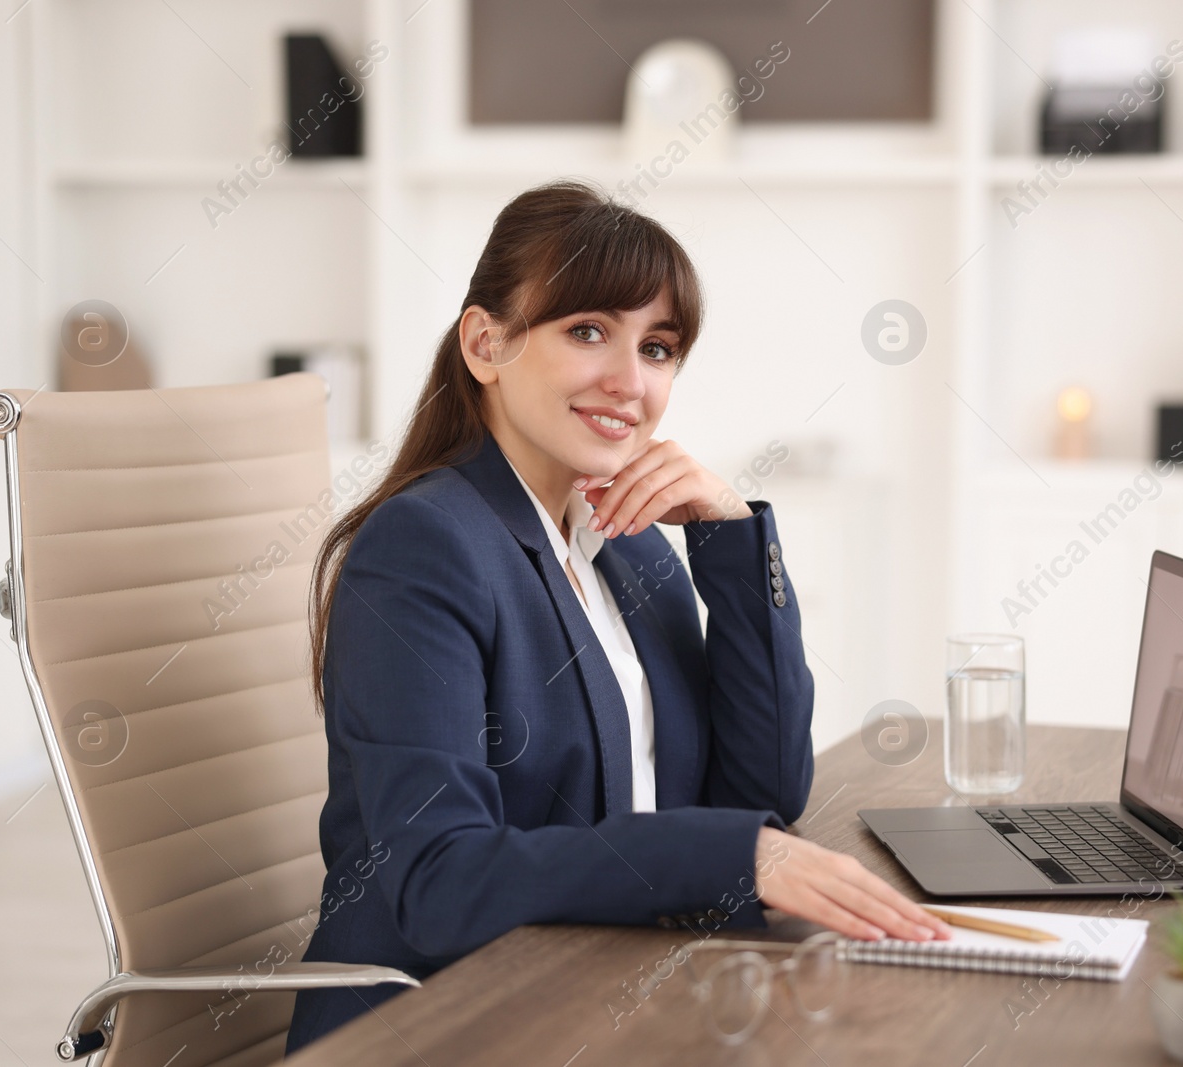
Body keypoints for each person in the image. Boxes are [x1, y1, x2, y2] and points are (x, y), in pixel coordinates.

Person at [286, 181, 948, 1053]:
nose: (630, 383)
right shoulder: (424, 546)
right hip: (448, 1021)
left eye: (660, 347)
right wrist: (735, 859)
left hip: (609, 986)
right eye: (588, 331)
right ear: (486, 343)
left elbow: (760, 795)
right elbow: (440, 881)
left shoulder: (624, 540)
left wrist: (732, 540)